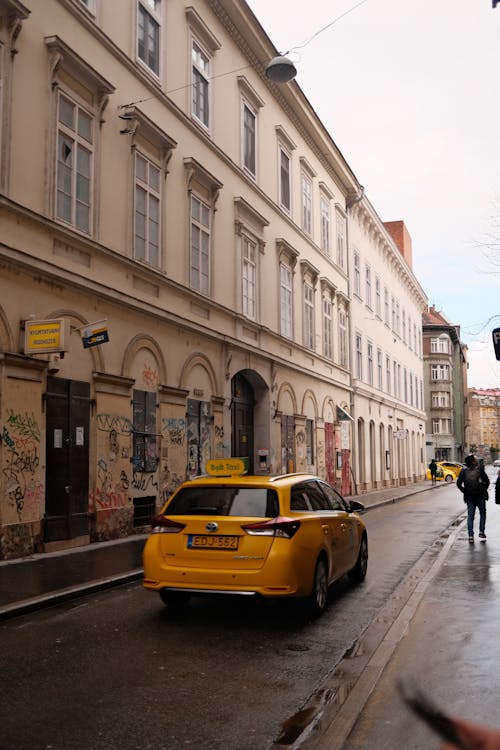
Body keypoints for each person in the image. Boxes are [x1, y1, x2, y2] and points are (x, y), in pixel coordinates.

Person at [456, 455, 490, 544]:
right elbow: (487, 481)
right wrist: (483, 489)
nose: (476, 460)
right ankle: (481, 531)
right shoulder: (480, 470)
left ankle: (470, 536)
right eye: (475, 459)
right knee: (482, 513)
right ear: (473, 462)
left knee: (470, 516)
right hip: (480, 496)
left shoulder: (463, 472)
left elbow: (458, 484)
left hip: (469, 496)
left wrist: (465, 491)